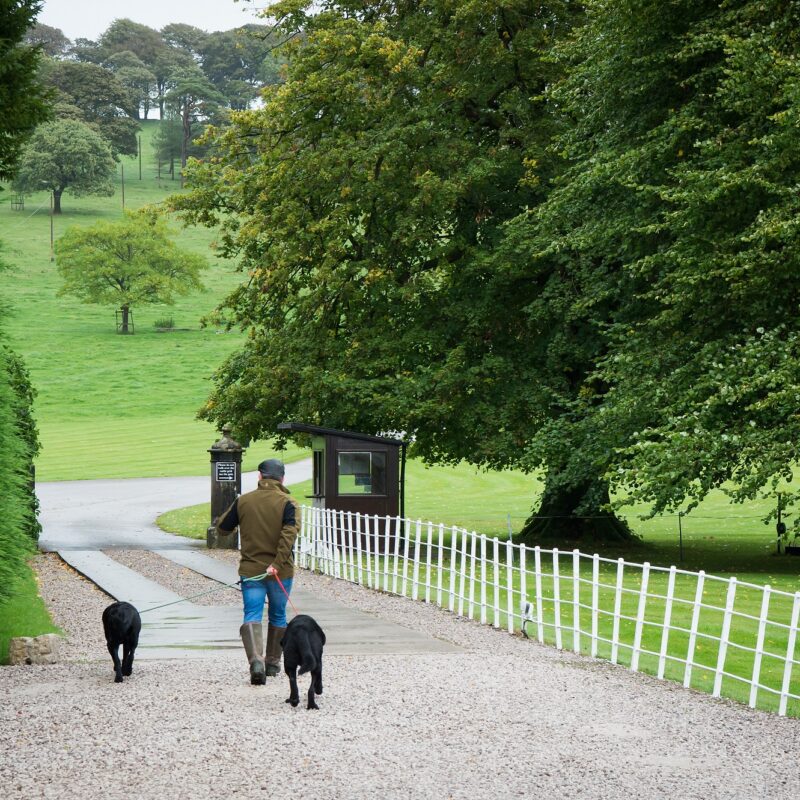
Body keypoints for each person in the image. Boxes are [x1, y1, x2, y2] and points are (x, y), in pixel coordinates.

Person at [216, 458, 300, 684]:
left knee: (251, 614)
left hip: (251, 570)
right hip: (280, 572)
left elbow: (222, 529)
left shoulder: (244, 501)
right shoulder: (288, 503)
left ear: (260, 477)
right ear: (282, 478)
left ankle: (255, 660)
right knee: (278, 614)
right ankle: (272, 663)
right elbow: (288, 537)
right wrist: (277, 563)